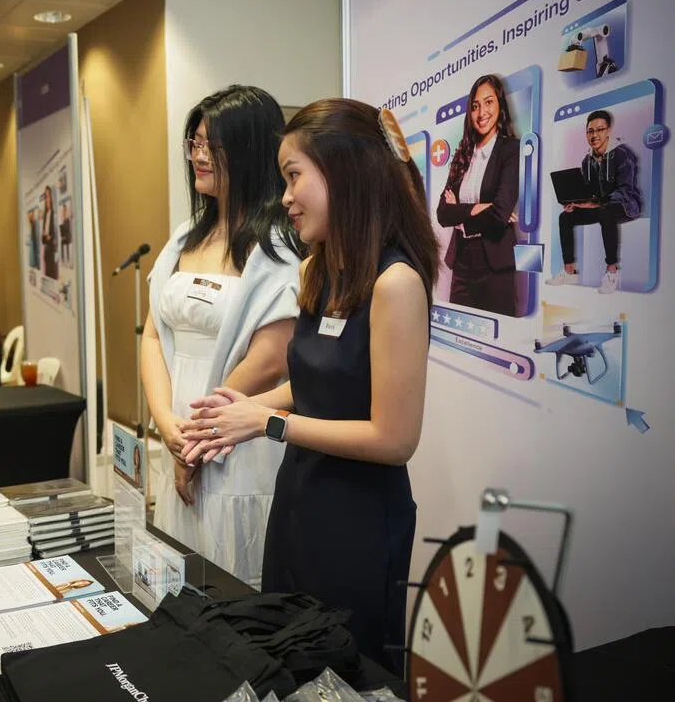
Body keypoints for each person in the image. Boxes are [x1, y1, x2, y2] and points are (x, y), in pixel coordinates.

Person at [180, 99, 438, 672]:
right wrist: (237, 410)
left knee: (347, 673)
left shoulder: (396, 284)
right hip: (299, 504)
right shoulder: (318, 269)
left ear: (345, 173)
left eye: (295, 177)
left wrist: (267, 424)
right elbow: (313, 379)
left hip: (360, 522)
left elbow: (394, 439)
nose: (287, 198)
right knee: (285, 664)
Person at [141, 85, 301, 589]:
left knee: (235, 586)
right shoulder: (186, 235)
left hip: (239, 442)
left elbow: (271, 358)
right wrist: (169, 426)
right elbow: (152, 336)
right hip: (182, 438)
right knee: (178, 583)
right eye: (195, 143)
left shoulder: (279, 245)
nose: (198, 156)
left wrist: (198, 441)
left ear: (251, 151)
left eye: (212, 145)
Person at [435, 74, 520, 316]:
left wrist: (461, 213)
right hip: (462, 260)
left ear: (500, 105)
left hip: (494, 261)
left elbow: (500, 213)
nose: (481, 112)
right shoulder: (462, 155)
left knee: (499, 338)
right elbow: (442, 213)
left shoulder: (510, 150)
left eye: (489, 102)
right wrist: (478, 208)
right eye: (475, 106)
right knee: (462, 340)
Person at [546, 109, 642, 294]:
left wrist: (596, 203)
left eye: (599, 130)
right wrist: (577, 202)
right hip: (601, 206)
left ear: (608, 131)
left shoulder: (623, 154)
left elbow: (625, 190)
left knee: (606, 212)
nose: (594, 135)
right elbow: (590, 192)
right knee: (565, 217)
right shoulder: (587, 161)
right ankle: (569, 271)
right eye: (590, 131)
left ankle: (612, 272)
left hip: (625, 206)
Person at [40, 187, 59, 279]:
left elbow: (55, 232)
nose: (47, 199)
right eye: (45, 197)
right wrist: (44, 236)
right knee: (47, 275)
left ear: (52, 197)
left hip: (52, 250)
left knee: (53, 275)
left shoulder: (54, 213)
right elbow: (43, 239)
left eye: (48, 196)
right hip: (47, 251)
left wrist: (50, 237)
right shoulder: (45, 214)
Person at [59, 202, 72, 266]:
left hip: (67, 236)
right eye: (63, 210)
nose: (64, 211)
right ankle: (63, 259)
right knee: (61, 243)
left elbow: (67, 229)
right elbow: (61, 228)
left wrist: (65, 236)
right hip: (64, 236)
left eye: (65, 209)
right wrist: (62, 236)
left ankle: (68, 259)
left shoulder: (67, 219)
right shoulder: (63, 219)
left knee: (67, 246)